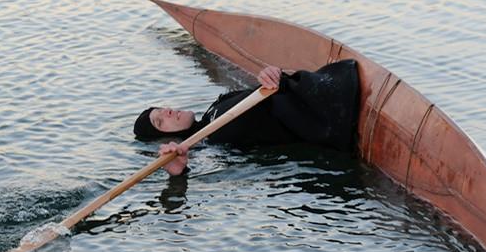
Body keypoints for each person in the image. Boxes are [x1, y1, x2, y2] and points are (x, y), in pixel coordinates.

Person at [133, 60, 360, 176]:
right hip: (331, 116)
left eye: (161, 110)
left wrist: (271, 75)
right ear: (164, 138)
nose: (168, 112)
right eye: (160, 122)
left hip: (321, 90)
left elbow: (264, 91)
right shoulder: (214, 142)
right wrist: (180, 172)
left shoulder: (214, 109)